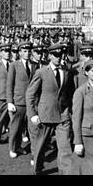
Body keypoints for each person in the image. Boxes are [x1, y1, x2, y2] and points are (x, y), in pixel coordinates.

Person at [26, 43, 75, 175]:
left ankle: (66, 171)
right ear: (50, 56)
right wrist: (33, 114)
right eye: (56, 55)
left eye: (60, 55)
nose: (58, 58)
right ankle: (38, 169)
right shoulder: (41, 72)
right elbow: (30, 93)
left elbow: (68, 93)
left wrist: (69, 110)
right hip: (45, 115)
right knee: (40, 147)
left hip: (62, 115)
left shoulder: (66, 71)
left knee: (65, 147)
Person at [6, 42, 34, 159]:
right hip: (18, 101)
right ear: (20, 52)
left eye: (28, 51)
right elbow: (9, 84)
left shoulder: (33, 65)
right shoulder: (14, 65)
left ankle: (21, 147)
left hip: (31, 101)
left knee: (29, 127)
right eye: (24, 51)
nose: (27, 53)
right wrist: (10, 101)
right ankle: (13, 148)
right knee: (15, 127)